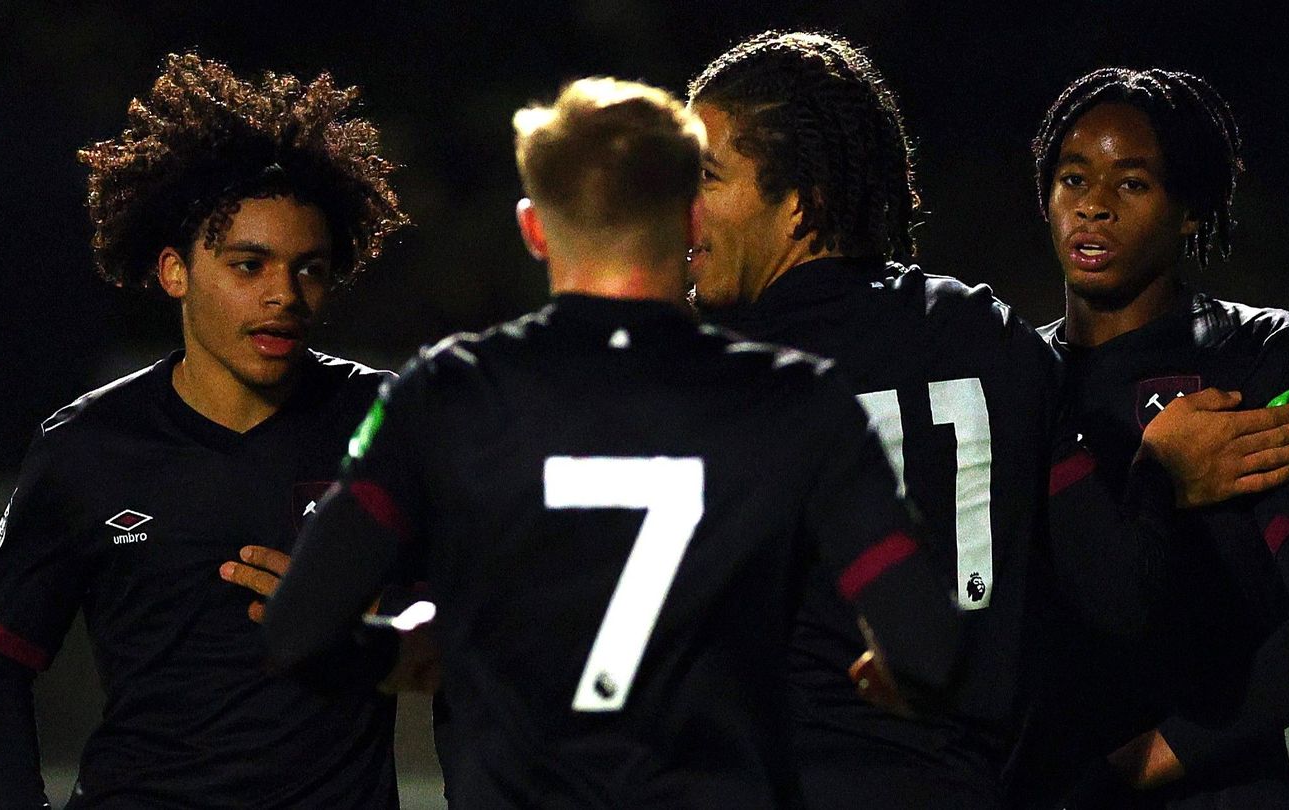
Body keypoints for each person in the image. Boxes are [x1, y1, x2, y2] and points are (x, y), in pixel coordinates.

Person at [263, 76, 961, 809]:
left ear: (534, 228)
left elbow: (296, 634)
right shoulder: (799, 400)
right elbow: (932, 651)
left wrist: (404, 649)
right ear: (694, 220)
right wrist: (903, 674)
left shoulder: (444, 393)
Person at [684, 32, 1289, 809]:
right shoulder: (991, 339)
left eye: (705, 177)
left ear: (803, 205)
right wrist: (1156, 479)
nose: (677, 206)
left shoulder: (699, 374)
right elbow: (1114, 604)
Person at [0, 53, 409, 809]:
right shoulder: (88, 446)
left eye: (310, 269)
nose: (283, 296)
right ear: (174, 271)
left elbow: (480, 624)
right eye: (248, 264)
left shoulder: (389, 422)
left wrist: (368, 622)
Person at [1012, 67, 1289, 808]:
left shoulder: (1255, 356)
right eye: (1073, 177)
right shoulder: (1014, 376)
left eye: (1132, 184)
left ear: (1190, 210)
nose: (1093, 206)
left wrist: (1140, 766)